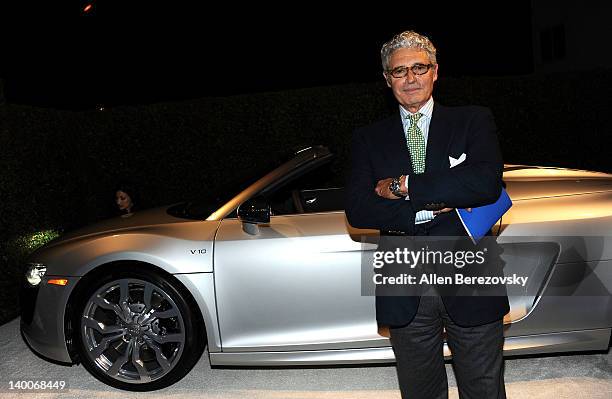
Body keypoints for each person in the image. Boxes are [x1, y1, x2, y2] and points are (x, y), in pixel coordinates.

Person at [346, 30, 509, 398]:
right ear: (387, 80)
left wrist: (405, 188)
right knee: (419, 391)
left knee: (484, 387)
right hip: (402, 276)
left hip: (471, 270)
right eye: (399, 71)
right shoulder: (367, 138)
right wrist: (444, 195)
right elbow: (358, 208)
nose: (410, 78)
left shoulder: (472, 121)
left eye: (419, 67)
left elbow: (485, 183)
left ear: (435, 71)